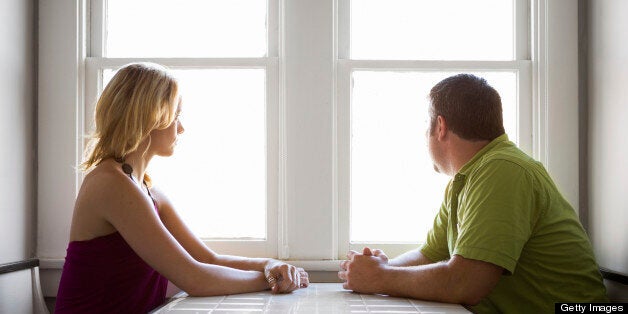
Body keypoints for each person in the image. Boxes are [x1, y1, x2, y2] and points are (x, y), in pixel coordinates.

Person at [338, 74, 608, 313]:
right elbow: (430, 254)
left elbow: (465, 283)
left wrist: (380, 277)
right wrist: (385, 267)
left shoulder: (503, 170)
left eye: (426, 126)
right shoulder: (468, 178)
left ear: (440, 127)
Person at [55, 62, 309, 313]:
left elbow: (208, 260)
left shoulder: (148, 192)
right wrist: (272, 279)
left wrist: (269, 264)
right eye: (176, 116)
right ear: (151, 116)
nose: (181, 127)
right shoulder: (110, 184)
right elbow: (194, 278)